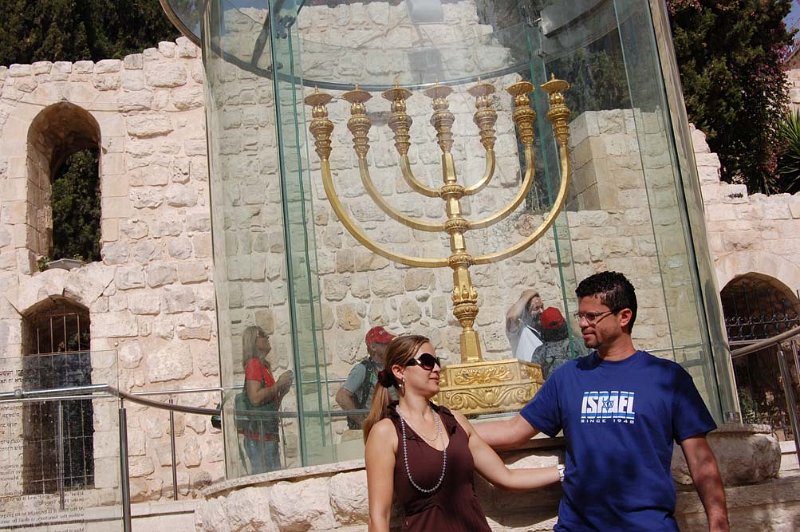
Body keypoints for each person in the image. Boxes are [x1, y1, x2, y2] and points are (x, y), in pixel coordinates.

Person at [477, 271, 729, 531]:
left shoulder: (668, 378)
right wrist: (453, 426)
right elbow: (514, 430)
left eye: (592, 316)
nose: (582, 323)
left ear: (624, 317)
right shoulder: (567, 377)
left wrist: (719, 524)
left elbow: (700, 460)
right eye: (580, 315)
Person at [363, 334, 563, 532]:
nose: (437, 368)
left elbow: (506, 477)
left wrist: (566, 471)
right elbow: (378, 517)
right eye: (427, 362)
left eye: (437, 362)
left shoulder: (455, 421)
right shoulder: (386, 433)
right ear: (399, 371)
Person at [241, 325, 293, 474]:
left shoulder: (264, 366)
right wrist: (278, 385)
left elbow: (270, 406)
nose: (267, 337)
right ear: (254, 341)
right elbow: (255, 398)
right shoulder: (254, 364)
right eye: (263, 334)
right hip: (259, 437)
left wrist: (282, 391)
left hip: (267, 434)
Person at [336, 326, 395, 430]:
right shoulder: (362, 369)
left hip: (393, 424)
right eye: (385, 343)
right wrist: (362, 423)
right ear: (373, 347)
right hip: (375, 427)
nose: (390, 346)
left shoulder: (393, 366)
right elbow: (341, 397)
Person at [531, 307, 575, 379]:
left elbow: (535, 379)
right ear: (564, 324)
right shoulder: (580, 344)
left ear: (544, 329)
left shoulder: (539, 352)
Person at [506, 289, 544, 361]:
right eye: (536, 308)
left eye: (542, 307)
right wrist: (530, 294)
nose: (541, 311)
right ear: (526, 310)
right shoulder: (519, 329)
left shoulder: (543, 329)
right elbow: (511, 316)